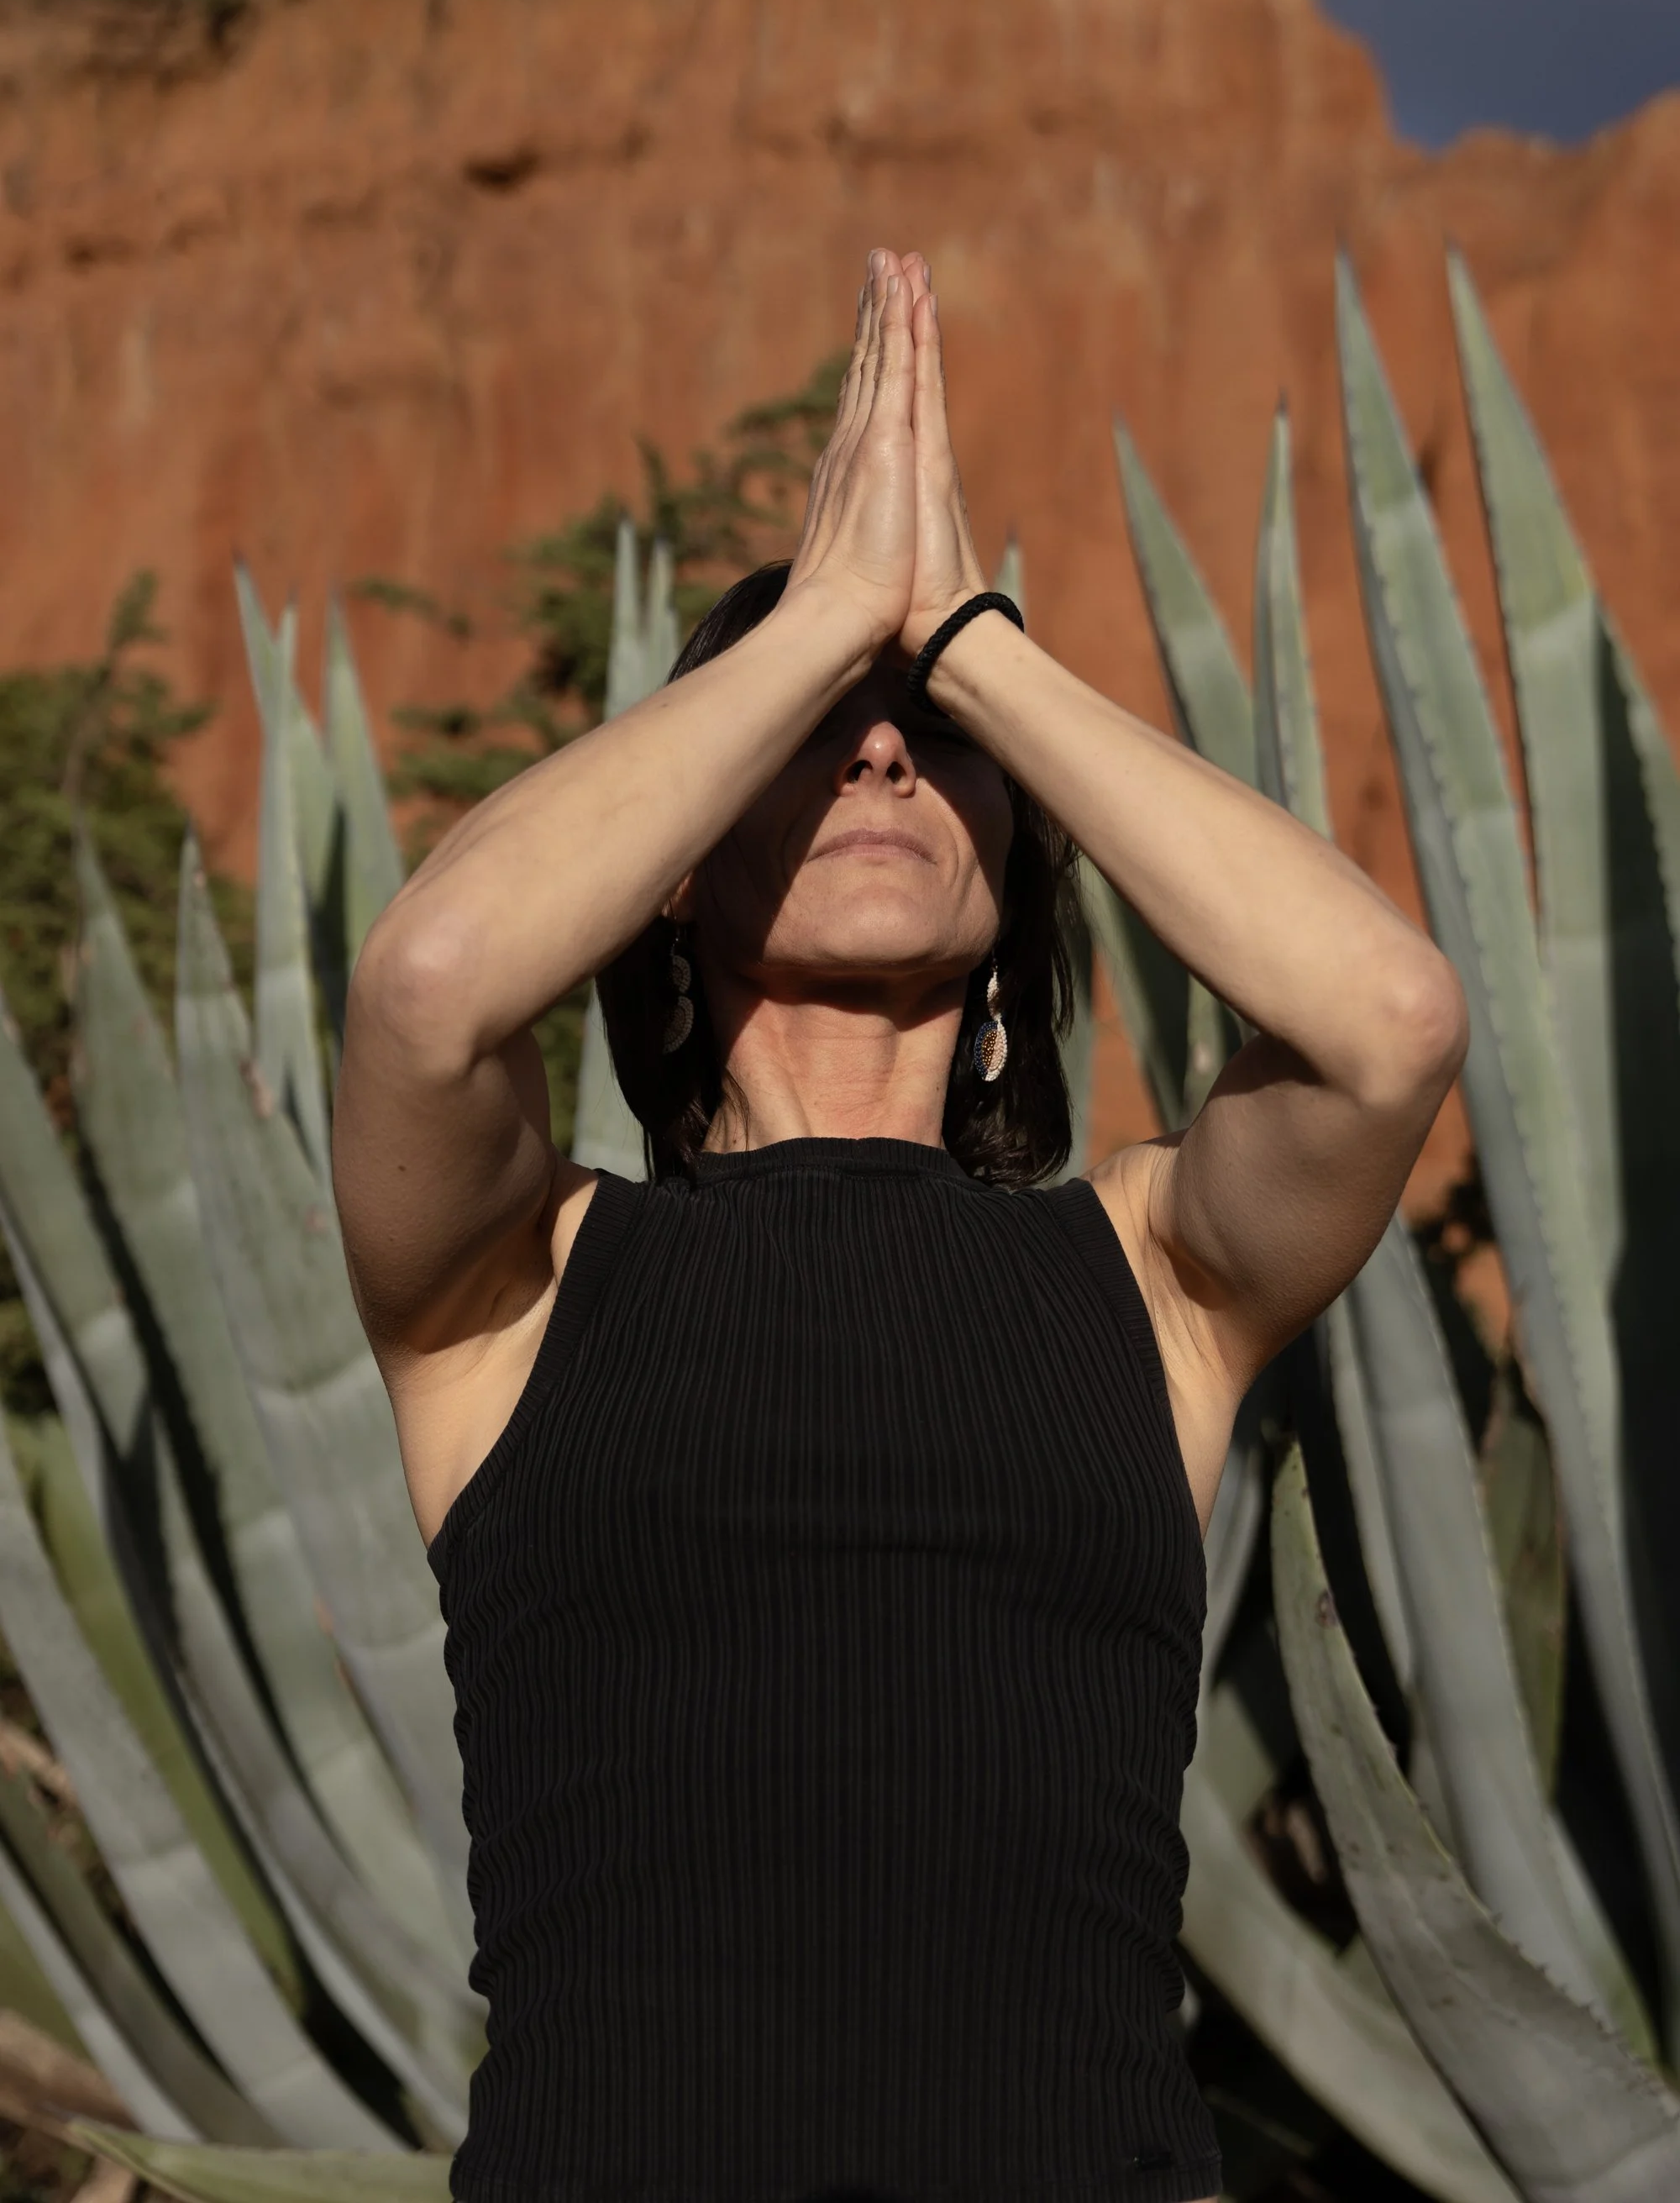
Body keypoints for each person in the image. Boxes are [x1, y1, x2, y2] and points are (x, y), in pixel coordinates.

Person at [333, 248, 1468, 2203]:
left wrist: (960, 636)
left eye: (929, 738)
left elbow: (1387, 1026)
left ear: (1019, 853)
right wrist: (823, 621)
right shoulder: (515, 1295)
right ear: (667, 878)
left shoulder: (1149, 1282)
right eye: (810, 730)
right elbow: (432, 981)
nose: (878, 747)